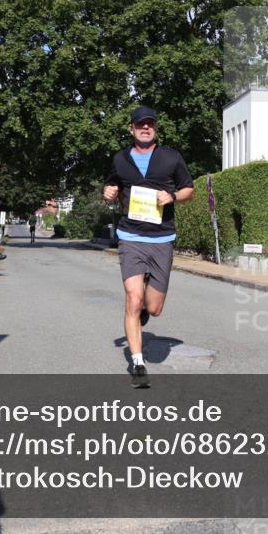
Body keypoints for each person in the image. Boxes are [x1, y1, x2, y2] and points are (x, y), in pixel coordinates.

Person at [103, 106, 194, 388]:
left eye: (150, 124)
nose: (145, 128)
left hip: (162, 239)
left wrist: (173, 197)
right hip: (130, 237)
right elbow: (111, 186)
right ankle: (138, 363)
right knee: (132, 298)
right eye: (140, 124)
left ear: (155, 128)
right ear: (131, 129)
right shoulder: (120, 159)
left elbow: (188, 189)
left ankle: (144, 310)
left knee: (153, 308)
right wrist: (108, 193)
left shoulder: (170, 157)